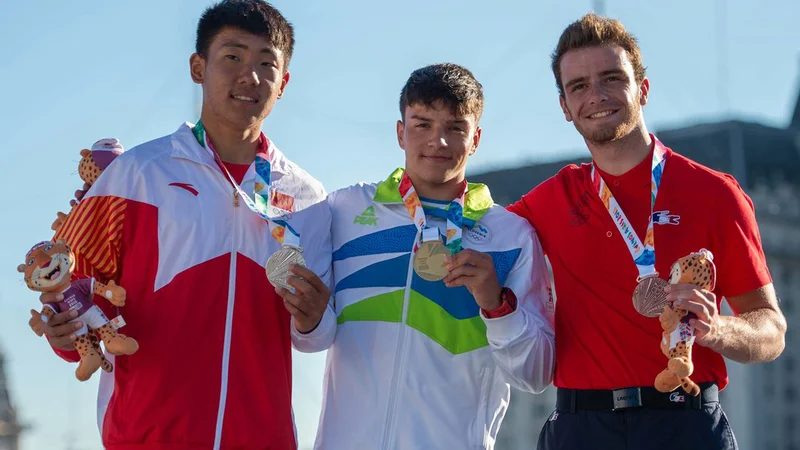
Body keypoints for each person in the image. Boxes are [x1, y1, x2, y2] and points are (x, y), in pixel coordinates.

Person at [27, 1, 334, 448]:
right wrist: (62, 332)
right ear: (198, 67)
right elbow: (69, 293)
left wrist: (311, 321)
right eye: (232, 56)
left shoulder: (308, 197)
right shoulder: (135, 174)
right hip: (146, 436)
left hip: (262, 438)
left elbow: (314, 336)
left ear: (283, 82)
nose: (250, 76)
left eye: (267, 63)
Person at [507, 13, 787, 450]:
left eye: (611, 78)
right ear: (564, 107)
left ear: (643, 88)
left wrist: (716, 329)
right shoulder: (550, 199)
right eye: (578, 86)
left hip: (685, 423)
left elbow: (771, 331)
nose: (596, 95)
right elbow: (473, 230)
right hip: (581, 428)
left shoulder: (714, 193)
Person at [284, 63, 555, 450]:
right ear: (400, 132)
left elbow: (536, 374)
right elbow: (313, 339)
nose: (438, 142)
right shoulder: (345, 211)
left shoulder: (511, 235)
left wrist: (498, 306)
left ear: (475, 138)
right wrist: (308, 321)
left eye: (455, 128)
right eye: (423, 124)